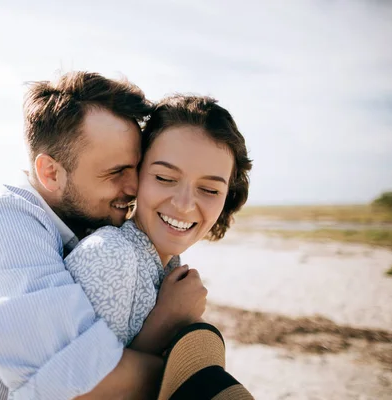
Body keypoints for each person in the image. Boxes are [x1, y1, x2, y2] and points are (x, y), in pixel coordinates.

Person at [0, 71, 209, 399]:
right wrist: (173, 336)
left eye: (135, 168)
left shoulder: (85, 224)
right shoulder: (1, 223)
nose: (134, 187)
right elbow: (78, 385)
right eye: (115, 172)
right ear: (51, 173)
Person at [64, 95, 255, 398]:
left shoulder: (164, 266)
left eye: (209, 189)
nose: (183, 205)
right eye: (165, 177)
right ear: (136, 175)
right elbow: (74, 391)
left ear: (227, 198)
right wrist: (167, 322)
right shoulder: (111, 256)